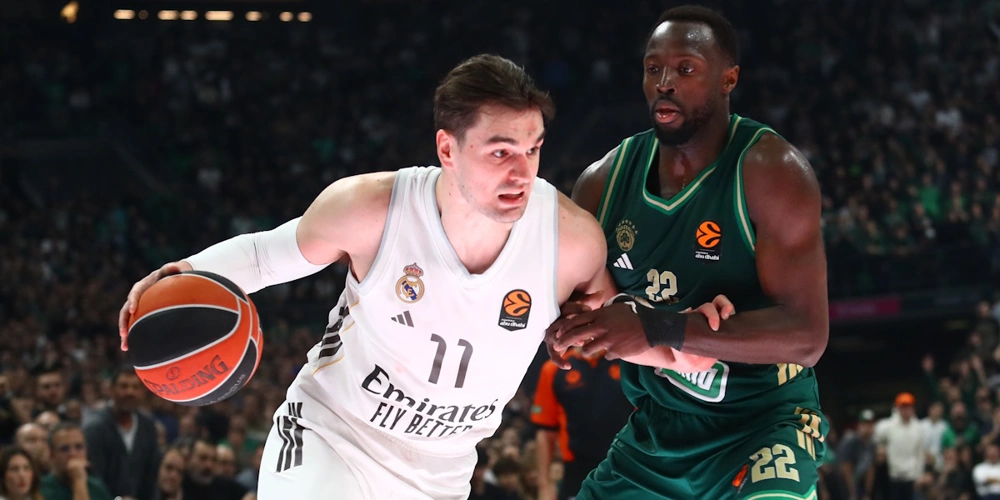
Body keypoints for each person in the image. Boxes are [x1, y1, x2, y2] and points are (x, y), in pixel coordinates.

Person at [117, 54, 730, 500]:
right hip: (334, 435)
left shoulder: (571, 242)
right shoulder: (369, 208)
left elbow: (614, 328)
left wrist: (683, 345)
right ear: (447, 149)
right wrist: (183, 275)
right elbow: (263, 257)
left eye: (533, 149)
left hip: (442, 472)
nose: (522, 172)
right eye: (500, 151)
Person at [547, 5, 830, 499]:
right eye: (653, 68)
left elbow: (807, 337)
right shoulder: (602, 184)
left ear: (728, 79)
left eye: (685, 68)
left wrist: (665, 326)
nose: (664, 83)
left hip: (764, 424)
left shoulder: (771, 171)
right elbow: (590, 310)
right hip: (658, 430)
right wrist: (570, 325)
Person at [531, 347, 633, 500]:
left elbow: (646, 420)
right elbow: (545, 431)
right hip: (575, 468)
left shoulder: (629, 363)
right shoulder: (553, 369)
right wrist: (544, 485)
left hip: (623, 466)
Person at [83, 367, 161, 500]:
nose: (130, 392)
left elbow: (151, 477)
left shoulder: (148, 426)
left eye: (135, 387)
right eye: (124, 386)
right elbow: (94, 478)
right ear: (111, 389)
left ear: (142, 392)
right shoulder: (95, 428)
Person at [873, 392, 927, 500]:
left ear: (912, 408)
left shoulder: (918, 428)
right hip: (894, 477)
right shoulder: (887, 426)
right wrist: (880, 448)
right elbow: (876, 438)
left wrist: (920, 475)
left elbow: (920, 453)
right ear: (897, 408)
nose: (905, 410)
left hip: (912, 477)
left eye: (908, 406)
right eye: (903, 407)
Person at [39, 423, 114, 500]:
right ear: (51, 454)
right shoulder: (41, 488)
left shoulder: (96, 486)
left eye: (79, 447)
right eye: (65, 449)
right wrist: (78, 480)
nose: (73, 454)